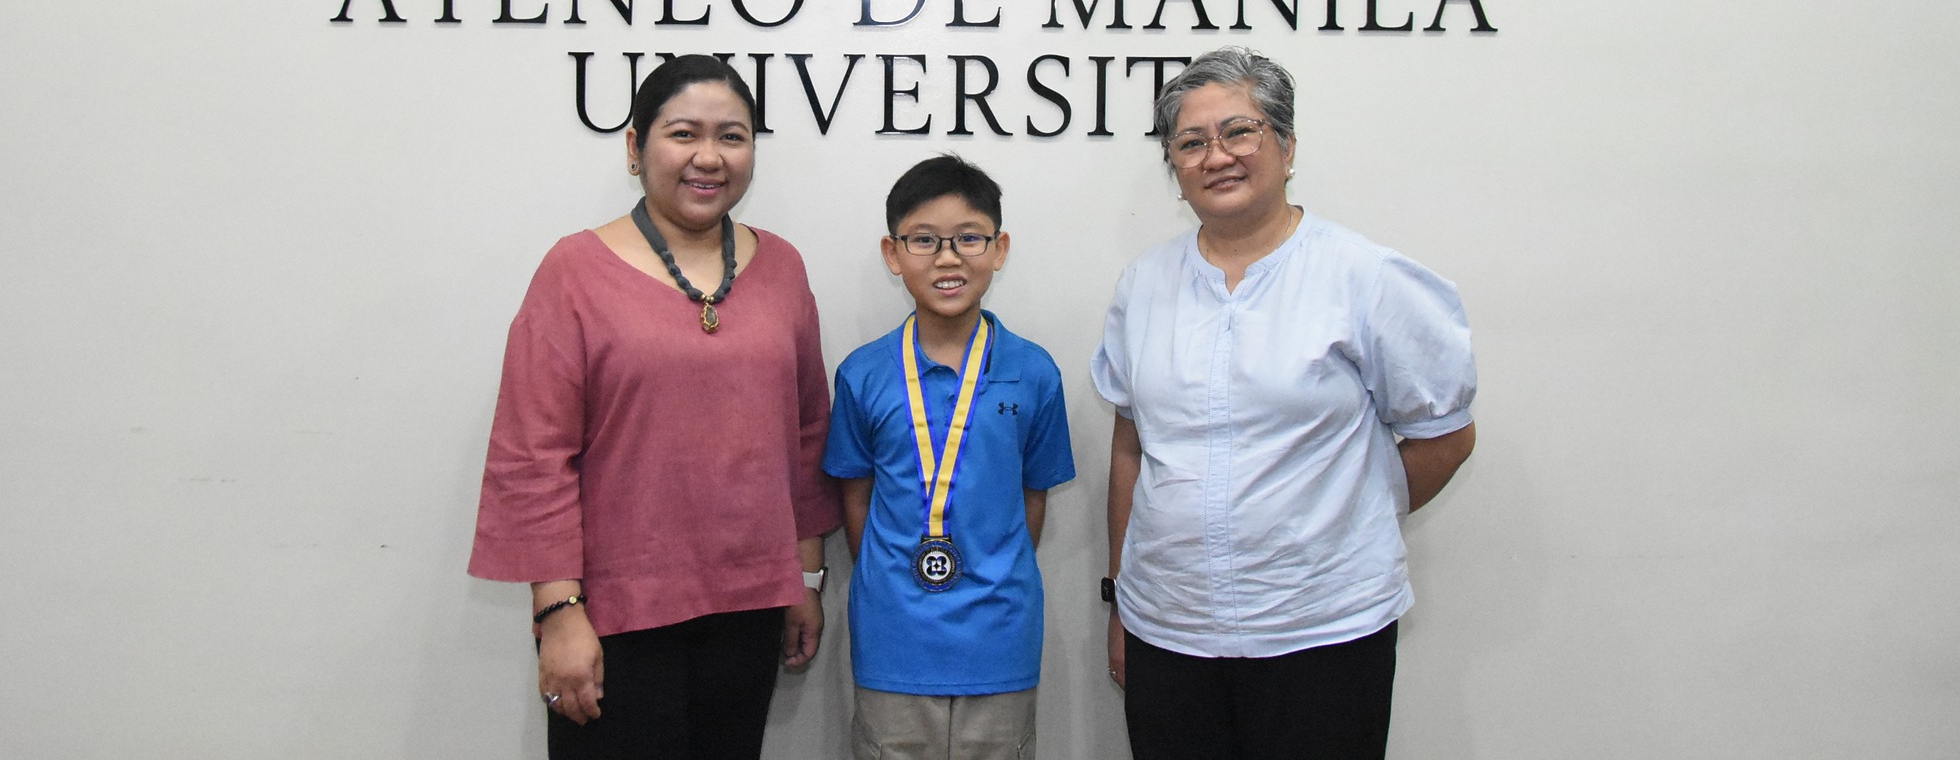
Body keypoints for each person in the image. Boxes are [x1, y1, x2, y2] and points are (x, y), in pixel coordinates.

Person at [1092, 47, 1477, 760]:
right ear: (1174, 168)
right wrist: (1122, 601)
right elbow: (1130, 445)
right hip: (1170, 629)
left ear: (1287, 145)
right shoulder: (1143, 284)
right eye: (1191, 141)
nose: (1218, 156)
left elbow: (1445, 436)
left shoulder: (1364, 275)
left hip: (1323, 630)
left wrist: (1336, 521)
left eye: (1240, 131)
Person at [469, 54, 839, 760]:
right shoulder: (574, 270)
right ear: (636, 147)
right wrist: (558, 612)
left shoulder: (782, 267)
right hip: (613, 619)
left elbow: (805, 433)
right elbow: (533, 454)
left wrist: (805, 576)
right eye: (683, 133)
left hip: (749, 610)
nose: (709, 156)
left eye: (732, 135)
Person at [824, 155, 1077, 760]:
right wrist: (896, 578)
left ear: (999, 248)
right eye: (924, 240)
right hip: (893, 636)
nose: (947, 258)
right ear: (893, 253)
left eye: (969, 238)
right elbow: (855, 498)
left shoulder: (1033, 371)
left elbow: (1031, 499)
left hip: (1000, 636)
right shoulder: (863, 374)